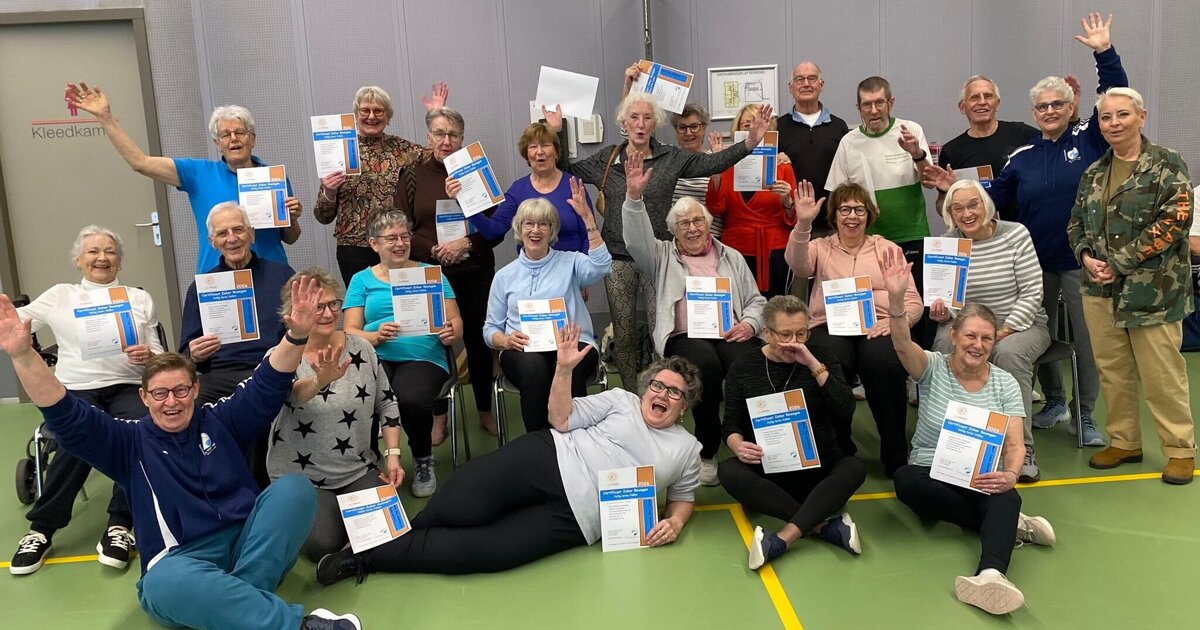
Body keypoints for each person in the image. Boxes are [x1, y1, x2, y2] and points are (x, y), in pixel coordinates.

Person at [0, 276, 364, 630]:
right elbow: (67, 415)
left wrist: (296, 335)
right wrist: (23, 356)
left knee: (295, 490)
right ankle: (294, 625)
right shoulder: (127, 443)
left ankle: (236, 610)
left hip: (245, 547)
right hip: (184, 561)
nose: (171, 401)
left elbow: (266, 385)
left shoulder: (220, 420)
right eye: (159, 393)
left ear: (195, 390)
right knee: (162, 584)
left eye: (180, 390)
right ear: (144, 398)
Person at [313, 326, 701, 582]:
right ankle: (387, 542)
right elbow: (560, 419)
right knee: (462, 504)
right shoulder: (621, 399)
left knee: (484, 552)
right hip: (547, 459)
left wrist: (677, 522)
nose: (662, 395)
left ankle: (366, 556)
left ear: (685, 407)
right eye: (658, 386)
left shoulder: (686, 449)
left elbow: (683, 497)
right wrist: (563, 371)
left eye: (675, 393)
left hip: (576, 519)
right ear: (647, 386)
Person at [925, 13, 1126, 448]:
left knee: (1087, 343)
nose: (1050, 112)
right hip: (1036, 264)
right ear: (1033, 113)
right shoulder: (1022, 155)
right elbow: (989, 195)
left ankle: (1085, 414)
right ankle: (1053, 401)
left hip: (1083, 262)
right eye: (1042, 107)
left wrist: (1103, 51)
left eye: (1057, 105)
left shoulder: (1088, 139)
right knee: (1042, 338)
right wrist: (953, 187)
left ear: (1070, 107)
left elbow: (1114, 96)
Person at [549, 91, 773, 390]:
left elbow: (714, 163)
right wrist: (557, 133)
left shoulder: (671, 157)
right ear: (623, 122)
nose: (640, 124)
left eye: (647, 117)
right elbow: (567, 170)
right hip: (616, 257)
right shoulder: (609, 158)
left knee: (662, 332)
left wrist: (749, 142)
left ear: (656, 123)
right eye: (634, 117)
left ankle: (661, 390)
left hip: (662, 258)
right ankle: (631, 395)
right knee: (624, 334)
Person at [880, 249, 1056, 616]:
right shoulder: (932, 366)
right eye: (971, 336)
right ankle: (1011, 527)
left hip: (981, 475)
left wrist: (1009, 474)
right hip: (931, 469)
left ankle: (990, 574)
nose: (977, 345)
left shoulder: (1005, 383)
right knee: (905, 481)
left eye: (987, 339)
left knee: (1007, 495)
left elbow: (1014, 444)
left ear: (994, 344)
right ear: (955, 335)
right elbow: (900, 343)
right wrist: (897, 300)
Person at [8, 226, 164, 576]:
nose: (102, 258)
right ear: (78, 260)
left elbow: (159, 352)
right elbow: (15, 323)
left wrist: (148, 355)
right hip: (75, 388)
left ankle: (119, 526)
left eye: (110, 251)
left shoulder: (138, 298)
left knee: (139, 433)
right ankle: (41, 530)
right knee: (76, 438)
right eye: (93, 251)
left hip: (127, 385)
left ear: (120, 261)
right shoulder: (61, 295)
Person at [1067, 86, 1196, 484]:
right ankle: (1124, 441)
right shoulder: (1094, 171)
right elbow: (1076, 223)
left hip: (1152, 292)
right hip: (1100, 290)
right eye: (1106, 118)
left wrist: (1118, 263)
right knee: (1113, 370)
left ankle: (1179, 449)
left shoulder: (1165, 164)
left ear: (1141, 116)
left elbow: (1177, 220)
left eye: (1122, 115)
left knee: (1162, 372)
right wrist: (1086, 257)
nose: (1113, 124)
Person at [622, 151, 765, 486]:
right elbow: (634, 239)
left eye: (697, 221)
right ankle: (708, 449)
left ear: (707, 224)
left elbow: (756, 300)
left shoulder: (731, 256)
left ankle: (754, 442)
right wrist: (634, 197)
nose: (692, 228)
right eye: (683, 223)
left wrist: (750, 324)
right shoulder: (661, 255)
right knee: (706, 368)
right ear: (674, 230)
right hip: (684, 333)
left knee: (751, 364)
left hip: (731, 331)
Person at [67, 83, 301, 273]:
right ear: (217, 144)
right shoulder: (197, 172)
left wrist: (292, 219)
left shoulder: (272, 177)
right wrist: (106, 118)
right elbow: (140, 162)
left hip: (271, 276)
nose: (234, 139)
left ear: (253, 139)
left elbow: (291, 238)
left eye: (240, 132)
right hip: (219, 279)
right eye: (225, 135)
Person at [784, 182, 923, 475]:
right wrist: (803, 223)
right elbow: (797, 265)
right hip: (830, 325)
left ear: (869, 215)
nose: (852, 216)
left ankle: (896, 455)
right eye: (845, 209)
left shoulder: (888, 248)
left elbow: (913, 301)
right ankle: (838, 449)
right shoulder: (819, 247)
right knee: (827, 363)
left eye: (859, 209)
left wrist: (895, 321)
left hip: (879, 325)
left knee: (883, 363)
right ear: (834, 216)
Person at [718, 295, 867, 569]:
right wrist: (737, 444)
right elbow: (731, 424)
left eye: (802, 333)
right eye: (785, 334)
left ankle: (784, 537)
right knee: (728, 470)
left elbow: (846, 409)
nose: (795, 341)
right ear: (766, 333)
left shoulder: (821, 358)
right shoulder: (744, 366)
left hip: (819, 466)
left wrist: (812, 364)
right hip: (770, 471)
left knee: (855, 467)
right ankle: (822, 526)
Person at [265, 267, 403, 560]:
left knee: (387, 533)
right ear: (295, 314)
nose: (328, 314)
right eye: (318, 307)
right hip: (303, 477)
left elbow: (387, 402)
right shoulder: (280, 357)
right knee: (322, 545)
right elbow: (293, 394)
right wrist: (318, 382)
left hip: (356, 467)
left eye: (333, 304)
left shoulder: (362, 348)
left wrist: (392, 454)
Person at [931, 180, 1050, 482]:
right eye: (957, 208)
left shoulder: (1015, 234)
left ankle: (1021, 448)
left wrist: (1001, 331)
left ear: (987, 205)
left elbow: (1033, 292)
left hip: (1023, 323)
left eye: (973, 204)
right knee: (943, 346)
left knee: (1007, 355)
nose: (966, 213)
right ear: (949, 213)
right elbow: (953, 305)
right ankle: (950, 444)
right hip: (971, 325)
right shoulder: (947, 245)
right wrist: (945, 312)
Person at [396, 107, 503, 436]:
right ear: (428, 137)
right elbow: (401, 228)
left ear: (462, 138)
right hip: (431, 272)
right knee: (436, 343)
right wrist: (433, 250)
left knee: (478, 342)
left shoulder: (476, 173)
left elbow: (497, 228)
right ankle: (439, 415)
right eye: (439, 134)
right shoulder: (412, 175)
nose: (446, 140)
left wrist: (466, 244)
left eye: (453, 134)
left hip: (474, 269)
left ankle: (484, 408)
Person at [343, 209, 462, 498]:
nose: (399, 243)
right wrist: (373, 335)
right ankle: (367, 466)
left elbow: (456, 323)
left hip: (423, 358)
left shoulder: (431, 275)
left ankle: (422, 459)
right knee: (361, 395)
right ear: (374, 244)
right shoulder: (361, 280)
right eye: (391, 238)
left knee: (408, 395)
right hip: (375, 356)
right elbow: (349, 332)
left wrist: (451, 332)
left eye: (404, 236)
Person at [180, 202, 294, 488]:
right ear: (212, 242)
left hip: (268, 368)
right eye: (223, 233)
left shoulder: (282, 275)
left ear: (252, 234)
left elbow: (301, 330)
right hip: (218, 373)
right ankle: (203, 489)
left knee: (254, 407)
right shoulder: (202, 287)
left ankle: (253, 492)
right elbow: (185, 354)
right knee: (186, 408)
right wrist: (194, 354)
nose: (232, 238)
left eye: (238, 229)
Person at [484, 192, 610, 433]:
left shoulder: (572, 261)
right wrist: (506, 340)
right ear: (519, 228)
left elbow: (602, 266)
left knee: (568, 367)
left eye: (544, 223)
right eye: (528, 223)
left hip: (573, 342)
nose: (536, 230)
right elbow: (489, 330)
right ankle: (542, 445)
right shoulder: (504, 276)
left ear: (552, 230)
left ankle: (576, 443)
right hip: (522, 348)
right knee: (535, 370)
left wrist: (588, 221)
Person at [314, 84, 446, 285]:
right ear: (356, 115)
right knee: (363, 309)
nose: (371, 116)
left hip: (396, 244)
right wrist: (329, 192)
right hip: (354, 248)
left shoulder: (401, 149)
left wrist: (436, 115)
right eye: (365, 111)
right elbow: (322, 216)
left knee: (401, 307)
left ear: (388, 117)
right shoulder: (338, 151)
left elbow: (440, 154)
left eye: (378, 111)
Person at [826, 76, 933, 298]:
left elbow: (929, 182)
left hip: (911, 234)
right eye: (867, 104)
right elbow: (836, 194)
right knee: (878, 302)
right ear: (858, 107)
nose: (874, 110)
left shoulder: (910, 130)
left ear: (890, 103)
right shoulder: (849, 142)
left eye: (879, 103)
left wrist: (917, 155)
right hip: (867, 240)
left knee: (916, 301)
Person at [706, 104, 798, 297]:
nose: (751, 129)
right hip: (737, 249)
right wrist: (715, 170)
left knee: (775, 307)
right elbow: (715, 208)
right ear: (736, 129)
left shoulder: (782, 167)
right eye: (746, 124)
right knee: (740, 306)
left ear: (768, 128)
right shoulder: (726, 164)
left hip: (774, 250)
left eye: (757, 124)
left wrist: (786, 200)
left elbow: (794, 219)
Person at [465, 121, 593, 254]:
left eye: (545, 145)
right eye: (533, 147)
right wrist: (466, 202)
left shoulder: (573, 185)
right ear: (526, 154)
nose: (540, 152)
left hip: (571, 270)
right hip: (533, 271)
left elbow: (589, 234)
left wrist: (582, 269)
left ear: (556, 152)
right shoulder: (518, 189)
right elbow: (493, 231)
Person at [935, 75, 1039, 221]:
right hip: (981, 236)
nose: (982, 102)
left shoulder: (1022, 134)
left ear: (997, 104)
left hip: (1027, 229)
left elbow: (1056, 144)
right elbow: (941, 204)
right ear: (962, 107)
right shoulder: (951, 151)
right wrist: (951, 199)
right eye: (975, 97)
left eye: (988, 96)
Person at [777, 61, 850, 239]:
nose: (806, 84)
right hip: (792, 223)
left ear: (821, 84)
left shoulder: (839, 126)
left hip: (834, 223)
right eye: (800, 80)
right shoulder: (778, 127)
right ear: (790, 87)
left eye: (812, 78)